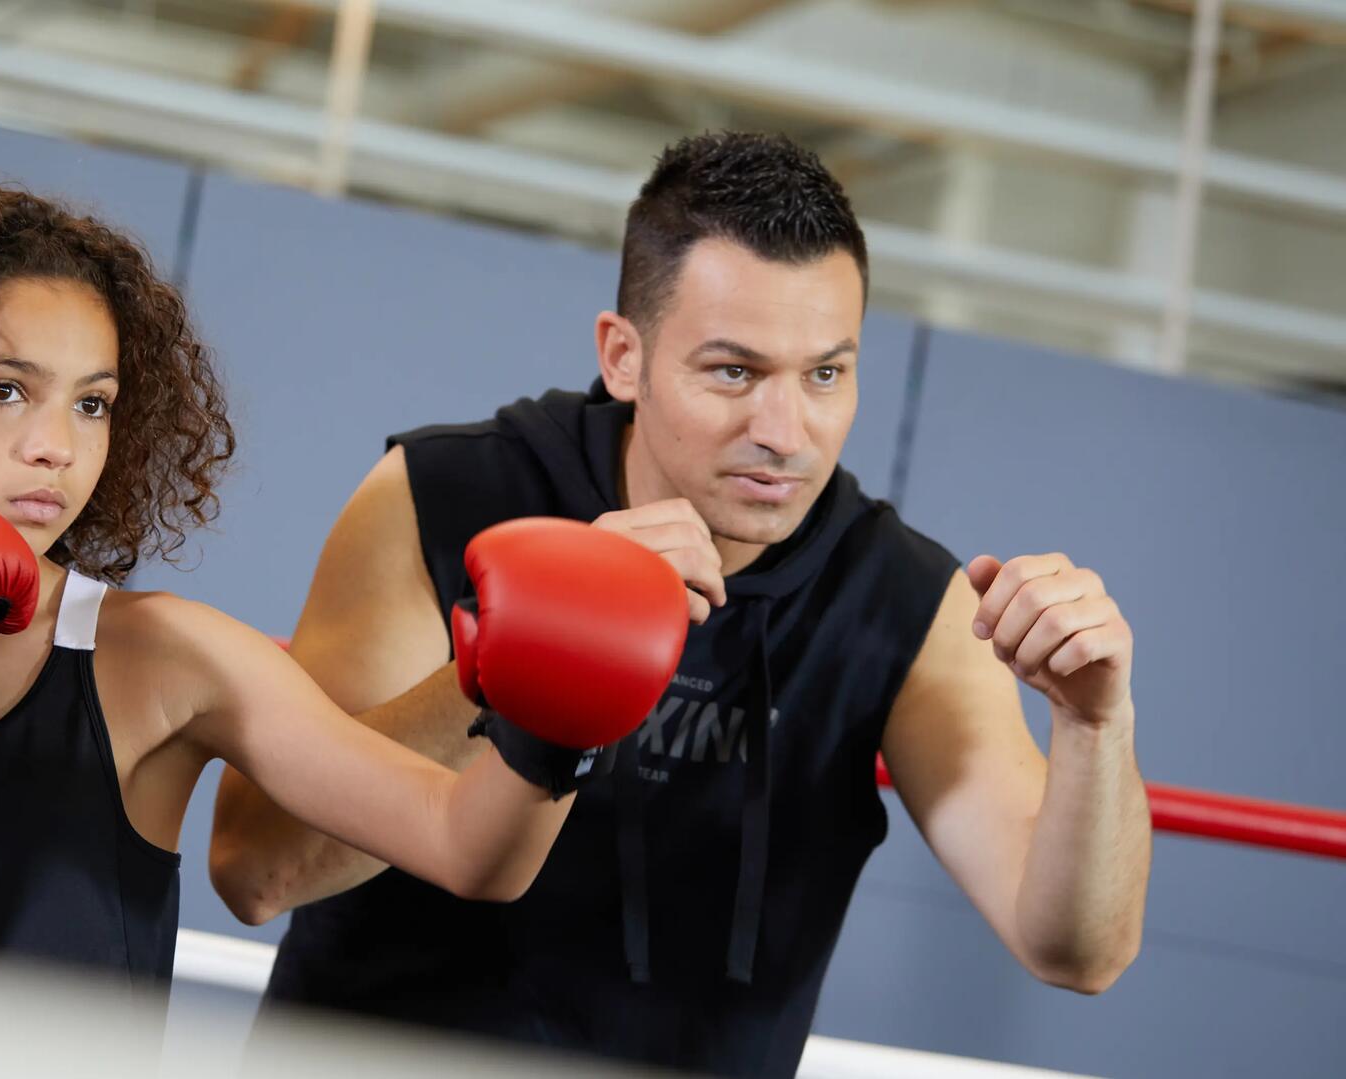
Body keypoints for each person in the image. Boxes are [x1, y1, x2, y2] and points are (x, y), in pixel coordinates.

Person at [209, 132, 1151, 1076]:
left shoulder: (900, 600)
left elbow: (1077, 949)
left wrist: (1094, 726)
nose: (784, 434)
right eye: (734, 372)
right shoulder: (446, 495)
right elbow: (258, 869)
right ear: (625, 355)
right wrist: (521, 649)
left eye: (825, 373)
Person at [0, 181, 688, 1015]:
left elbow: (466, 846)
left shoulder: (165, 661)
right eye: (3, 389)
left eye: (92, 402)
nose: (56, 445)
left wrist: (550, 723)